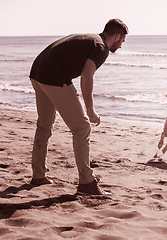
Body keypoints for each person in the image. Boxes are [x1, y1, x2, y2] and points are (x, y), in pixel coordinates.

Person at [29, 19, 128, 195]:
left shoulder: (91, 39)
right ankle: (86, 183)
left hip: (37, 73)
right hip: (53, 76)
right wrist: (90, 110)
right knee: (82, 128)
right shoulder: (101, 47)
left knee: (44, 126)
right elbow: (87, 76)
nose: (121, 46)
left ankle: (38, 176)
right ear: (117, 36)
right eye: (122, 41)